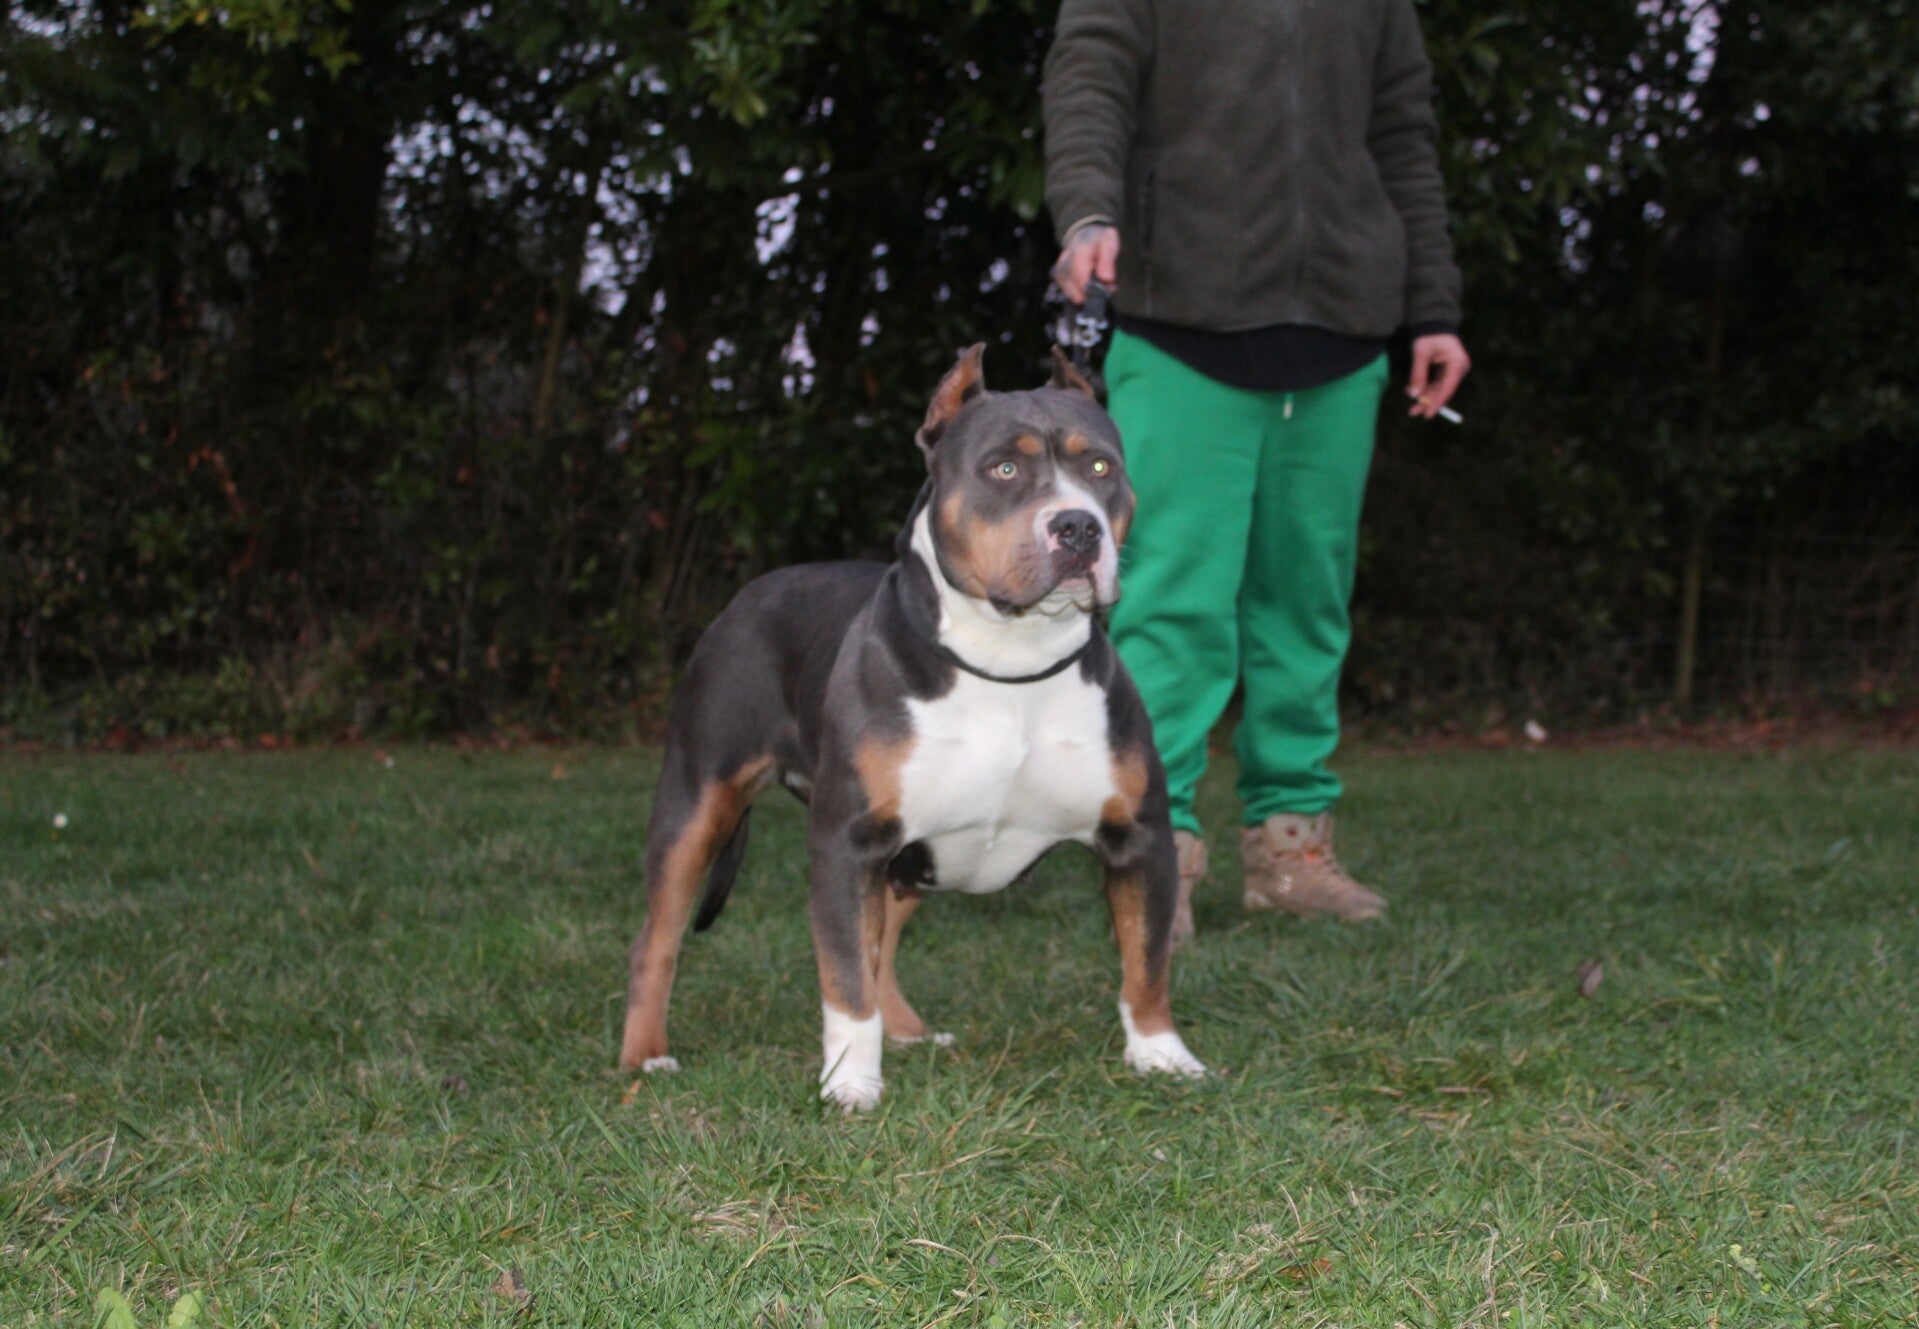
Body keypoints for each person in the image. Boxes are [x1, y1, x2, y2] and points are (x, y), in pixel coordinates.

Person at [1042, 0, 1471, 939]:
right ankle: (1157, 850)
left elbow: (1403, 136)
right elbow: (1088, 80)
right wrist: (1086, 212)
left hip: (1344, 336)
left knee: (1307, 606)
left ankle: (1291, 847)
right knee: (1172, 606)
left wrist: (1432, 308)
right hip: (1180, 326)